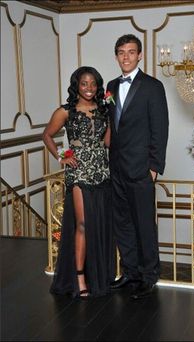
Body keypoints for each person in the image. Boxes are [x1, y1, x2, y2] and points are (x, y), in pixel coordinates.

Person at [43, 66, 115, 298]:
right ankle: (79, 277)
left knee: (99, 223)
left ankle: (100, 276)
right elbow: (46, 135)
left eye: (93, 84)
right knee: (83, 224)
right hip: (79, 173)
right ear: (77, 85)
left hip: (102, 172)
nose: (89, 88)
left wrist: (113, 114)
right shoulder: (65, 111)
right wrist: (63, 156)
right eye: (84, 83)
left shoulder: (104, 110)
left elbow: (107, 143)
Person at [106, 34, 169, 299]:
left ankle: (148, 275)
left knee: (144, 224)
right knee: (123, 223)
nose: (126, 57)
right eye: (121, 52)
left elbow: (161, 128)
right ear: (117, 55)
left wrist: (154, 168)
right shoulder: (109, 86)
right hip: (116, 168)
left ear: (140, 55)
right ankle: (130, 272)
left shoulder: (152, 86)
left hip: (142, 170)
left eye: (131, 52)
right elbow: (113, 126)